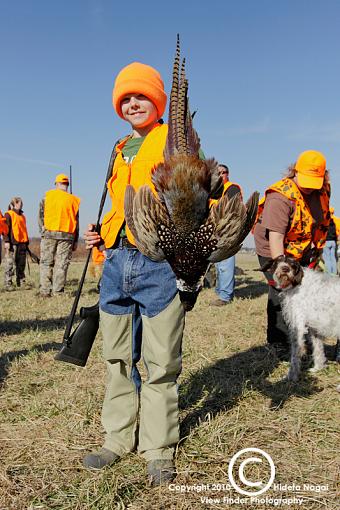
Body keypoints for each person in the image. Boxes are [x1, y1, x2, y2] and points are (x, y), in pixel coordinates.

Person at [83, 62, 185, 486]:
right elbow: (117, 204)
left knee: (160, 363)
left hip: (158, 263)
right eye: (125, 98)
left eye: (140, 96)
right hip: (116, 261)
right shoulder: (119, 146)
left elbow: (193, 196)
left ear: (157, 100)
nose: (132, 103)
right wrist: (99, 233)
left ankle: (158, 448)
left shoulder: (175, 142)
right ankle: (118, 438)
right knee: (117, 358)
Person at [253, 150, 330, 355]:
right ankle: (277, 341)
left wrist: (316, 252)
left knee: (302, 292)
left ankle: (298, 333)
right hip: (273, 247)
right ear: (295, 171)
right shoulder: (280, 197)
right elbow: (275, 237)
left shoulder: (322, 191)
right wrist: (282, 268)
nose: (309, 186)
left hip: (301, 245)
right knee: (282, 290)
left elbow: (319, 223)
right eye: (306, 180)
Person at [38, 173, 80, 297]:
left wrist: (42, 231)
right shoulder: (73, 200)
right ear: (67, 184)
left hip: (49, 233)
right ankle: (58, 291)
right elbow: (76, 222)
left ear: (56, 184)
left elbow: (40, 215)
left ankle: (45, 291)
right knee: (62, 264)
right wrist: (76, 240)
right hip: (67, 235)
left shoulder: (47, 196)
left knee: (46, 263)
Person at [211, 164, 242, 305]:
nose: (221, 175)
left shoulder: (232, 188)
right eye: (218, 173)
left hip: (228, 230)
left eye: (224, 172)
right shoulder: (214, 191)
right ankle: (220, 291)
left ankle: (225, 296)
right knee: (218, 263)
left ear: (228, 174)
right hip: (216, 230)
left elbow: (230, 210)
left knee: (225, 263)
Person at [3, 197, 29, 290]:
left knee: (21, 264)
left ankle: (21, 282)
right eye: (19, 203)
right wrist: (6, 241)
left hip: (22, 243)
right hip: (12, 243)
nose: (21, 204)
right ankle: (8, 284)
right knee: (10, 264)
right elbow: (5, 229)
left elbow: (24, 230)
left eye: (21, 202)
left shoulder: (22, 216)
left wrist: (27, 242)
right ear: (14, 203)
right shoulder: (8, 214)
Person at [323, 207, 338, 274]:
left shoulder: (325, 221)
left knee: (327, 258)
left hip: (327, 241)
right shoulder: (336, 221)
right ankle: (334, 272)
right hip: (334, 242)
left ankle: (329, 273)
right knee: (333, 258)